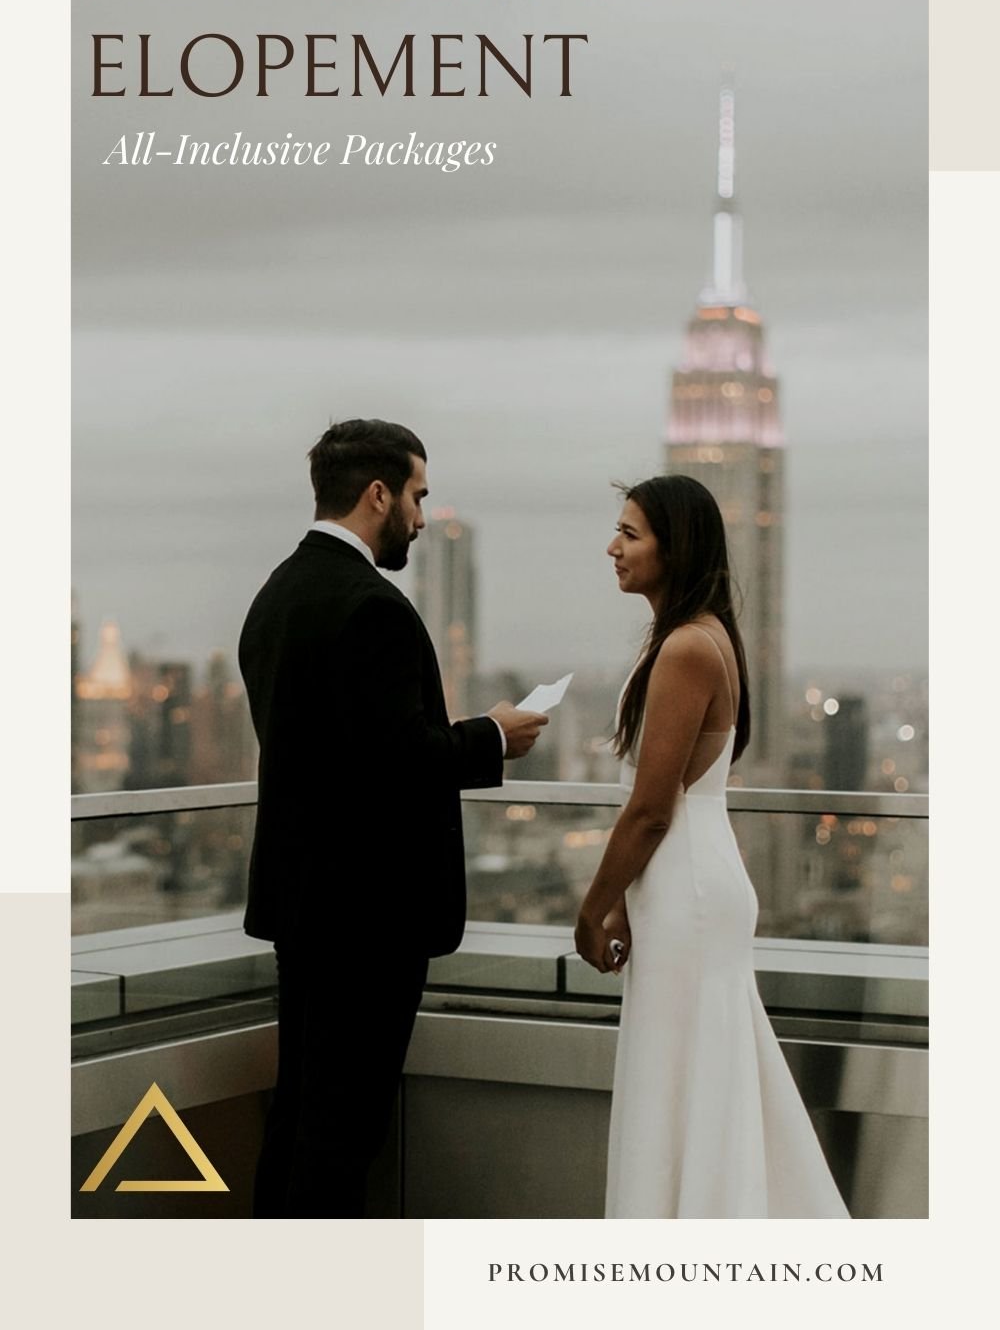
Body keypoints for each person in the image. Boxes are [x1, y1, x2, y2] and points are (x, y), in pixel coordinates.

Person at [239, 418, 547, 1217]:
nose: (418, 515)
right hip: (368, 918)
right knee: (343, 1133)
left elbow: (325, 758)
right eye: (416, 496)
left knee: (301, 1116)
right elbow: (393, 761)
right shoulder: (369, 607)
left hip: (303, 907)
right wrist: (493, 737)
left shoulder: (276, 594)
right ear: (378, 494)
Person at [575, 474, 848, 1218]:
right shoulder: (701, 637)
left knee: (680, 1073)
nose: (613, 547)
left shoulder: (687, 649)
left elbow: (651, 812)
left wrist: (593, 906)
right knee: (700, 1071)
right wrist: (628, 900)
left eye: (630, 534)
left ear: (677, 545)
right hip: (687, 884)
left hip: (687, 886)